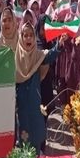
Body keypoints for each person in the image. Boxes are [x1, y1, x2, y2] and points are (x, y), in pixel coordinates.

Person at [16, 23, 67, 151]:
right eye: (25, 35)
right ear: (21, 37)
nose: (28, 38)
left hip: (35, 104)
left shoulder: (38, 55)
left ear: (34, 38)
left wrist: (59, 44)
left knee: (36, 137)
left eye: (31, 35)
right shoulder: (16, 57)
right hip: (21, 106)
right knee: (24, 140)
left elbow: (49, 56)